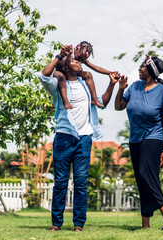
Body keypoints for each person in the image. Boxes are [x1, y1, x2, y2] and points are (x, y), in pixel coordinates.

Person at [37, 45, 119, 232]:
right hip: (64, 138)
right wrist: (60, 56)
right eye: (73, 61)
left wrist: (112, 84)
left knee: (81, 182)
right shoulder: (57, 85)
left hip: (84, 139)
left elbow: (103, 103)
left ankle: (78, 224)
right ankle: (56, 223)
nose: (78, 61)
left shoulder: (85, 84)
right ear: (65, 68)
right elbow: (43, 76)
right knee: (60, 182)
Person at [114, 54, 163, 230]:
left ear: (150, 71)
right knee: (141, 181)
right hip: (135, 140)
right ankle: (145, 226)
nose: (139, 69)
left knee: (145, 174)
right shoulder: (134, 87)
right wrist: (120, 88)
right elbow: (119, 106)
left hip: (154, 138)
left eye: (142, 67)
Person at [55, 41, 117, 109]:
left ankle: (94, 99)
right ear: (76, 50)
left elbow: (96, 68)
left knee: (88, 75)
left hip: (74, 73)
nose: (80, 60)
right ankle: (66, 101)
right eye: (79, 57)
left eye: (83, 59)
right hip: (65, 72)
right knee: (87, 75)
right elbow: (59, 63)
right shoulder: (69, 55)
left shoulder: (82, 59)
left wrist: (110, 72)